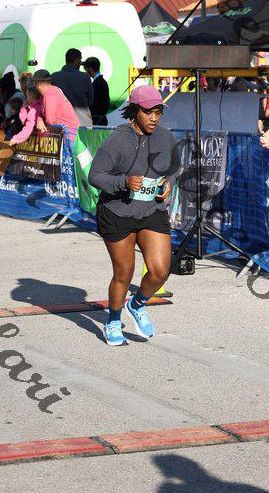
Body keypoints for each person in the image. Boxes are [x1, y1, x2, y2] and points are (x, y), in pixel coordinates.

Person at [88, 85, 180, 347]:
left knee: (160, 270)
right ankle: (113, 321)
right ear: (134, 112)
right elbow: (95, 176)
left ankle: (137, 304)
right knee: (124, 273)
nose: (154, 118)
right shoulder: (118, 139)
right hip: (117, 211)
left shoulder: (166, 137)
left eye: (158, 112)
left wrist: (169, 182)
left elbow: (174, 167)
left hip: (151, 210)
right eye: (148, 112)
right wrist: (124, 183)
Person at [32, 69, 80, 140]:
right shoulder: (49, 92)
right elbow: (41, 113)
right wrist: (40, 120)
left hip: (69, 135)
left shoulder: (50, 94)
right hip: (66, 133)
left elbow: (50, 120)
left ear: (37, 84)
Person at [51, 48, 94, 126]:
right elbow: (90, 101)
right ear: (76, 60)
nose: (81, 63)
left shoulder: (53, 77)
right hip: (82, 122)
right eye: (80, 60)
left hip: (60, 124)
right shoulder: (85, 77)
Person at [83, 56, 110, 126]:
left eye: (85, 68)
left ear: (90, 69)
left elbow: (92, 102)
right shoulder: (102, 82)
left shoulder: (97, 84)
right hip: (101, 120)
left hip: (97, 121)